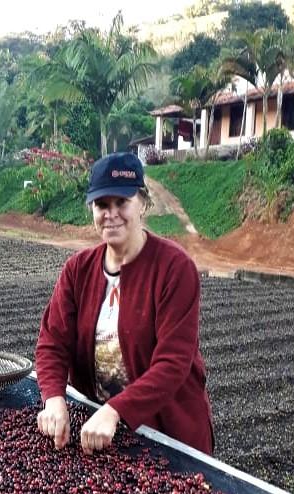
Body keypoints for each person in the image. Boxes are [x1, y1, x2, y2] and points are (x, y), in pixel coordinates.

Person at [35, 152, 213, 455]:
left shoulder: (174, 268)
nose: (111, 213)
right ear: (92, 208)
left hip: (169, 435)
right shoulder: (78, 269)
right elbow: (53, 342)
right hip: (105, 434)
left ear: (142, 203)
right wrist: (54, 398)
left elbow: (173, 362)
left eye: (122, 202)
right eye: (102, 204)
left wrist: (115, 410)